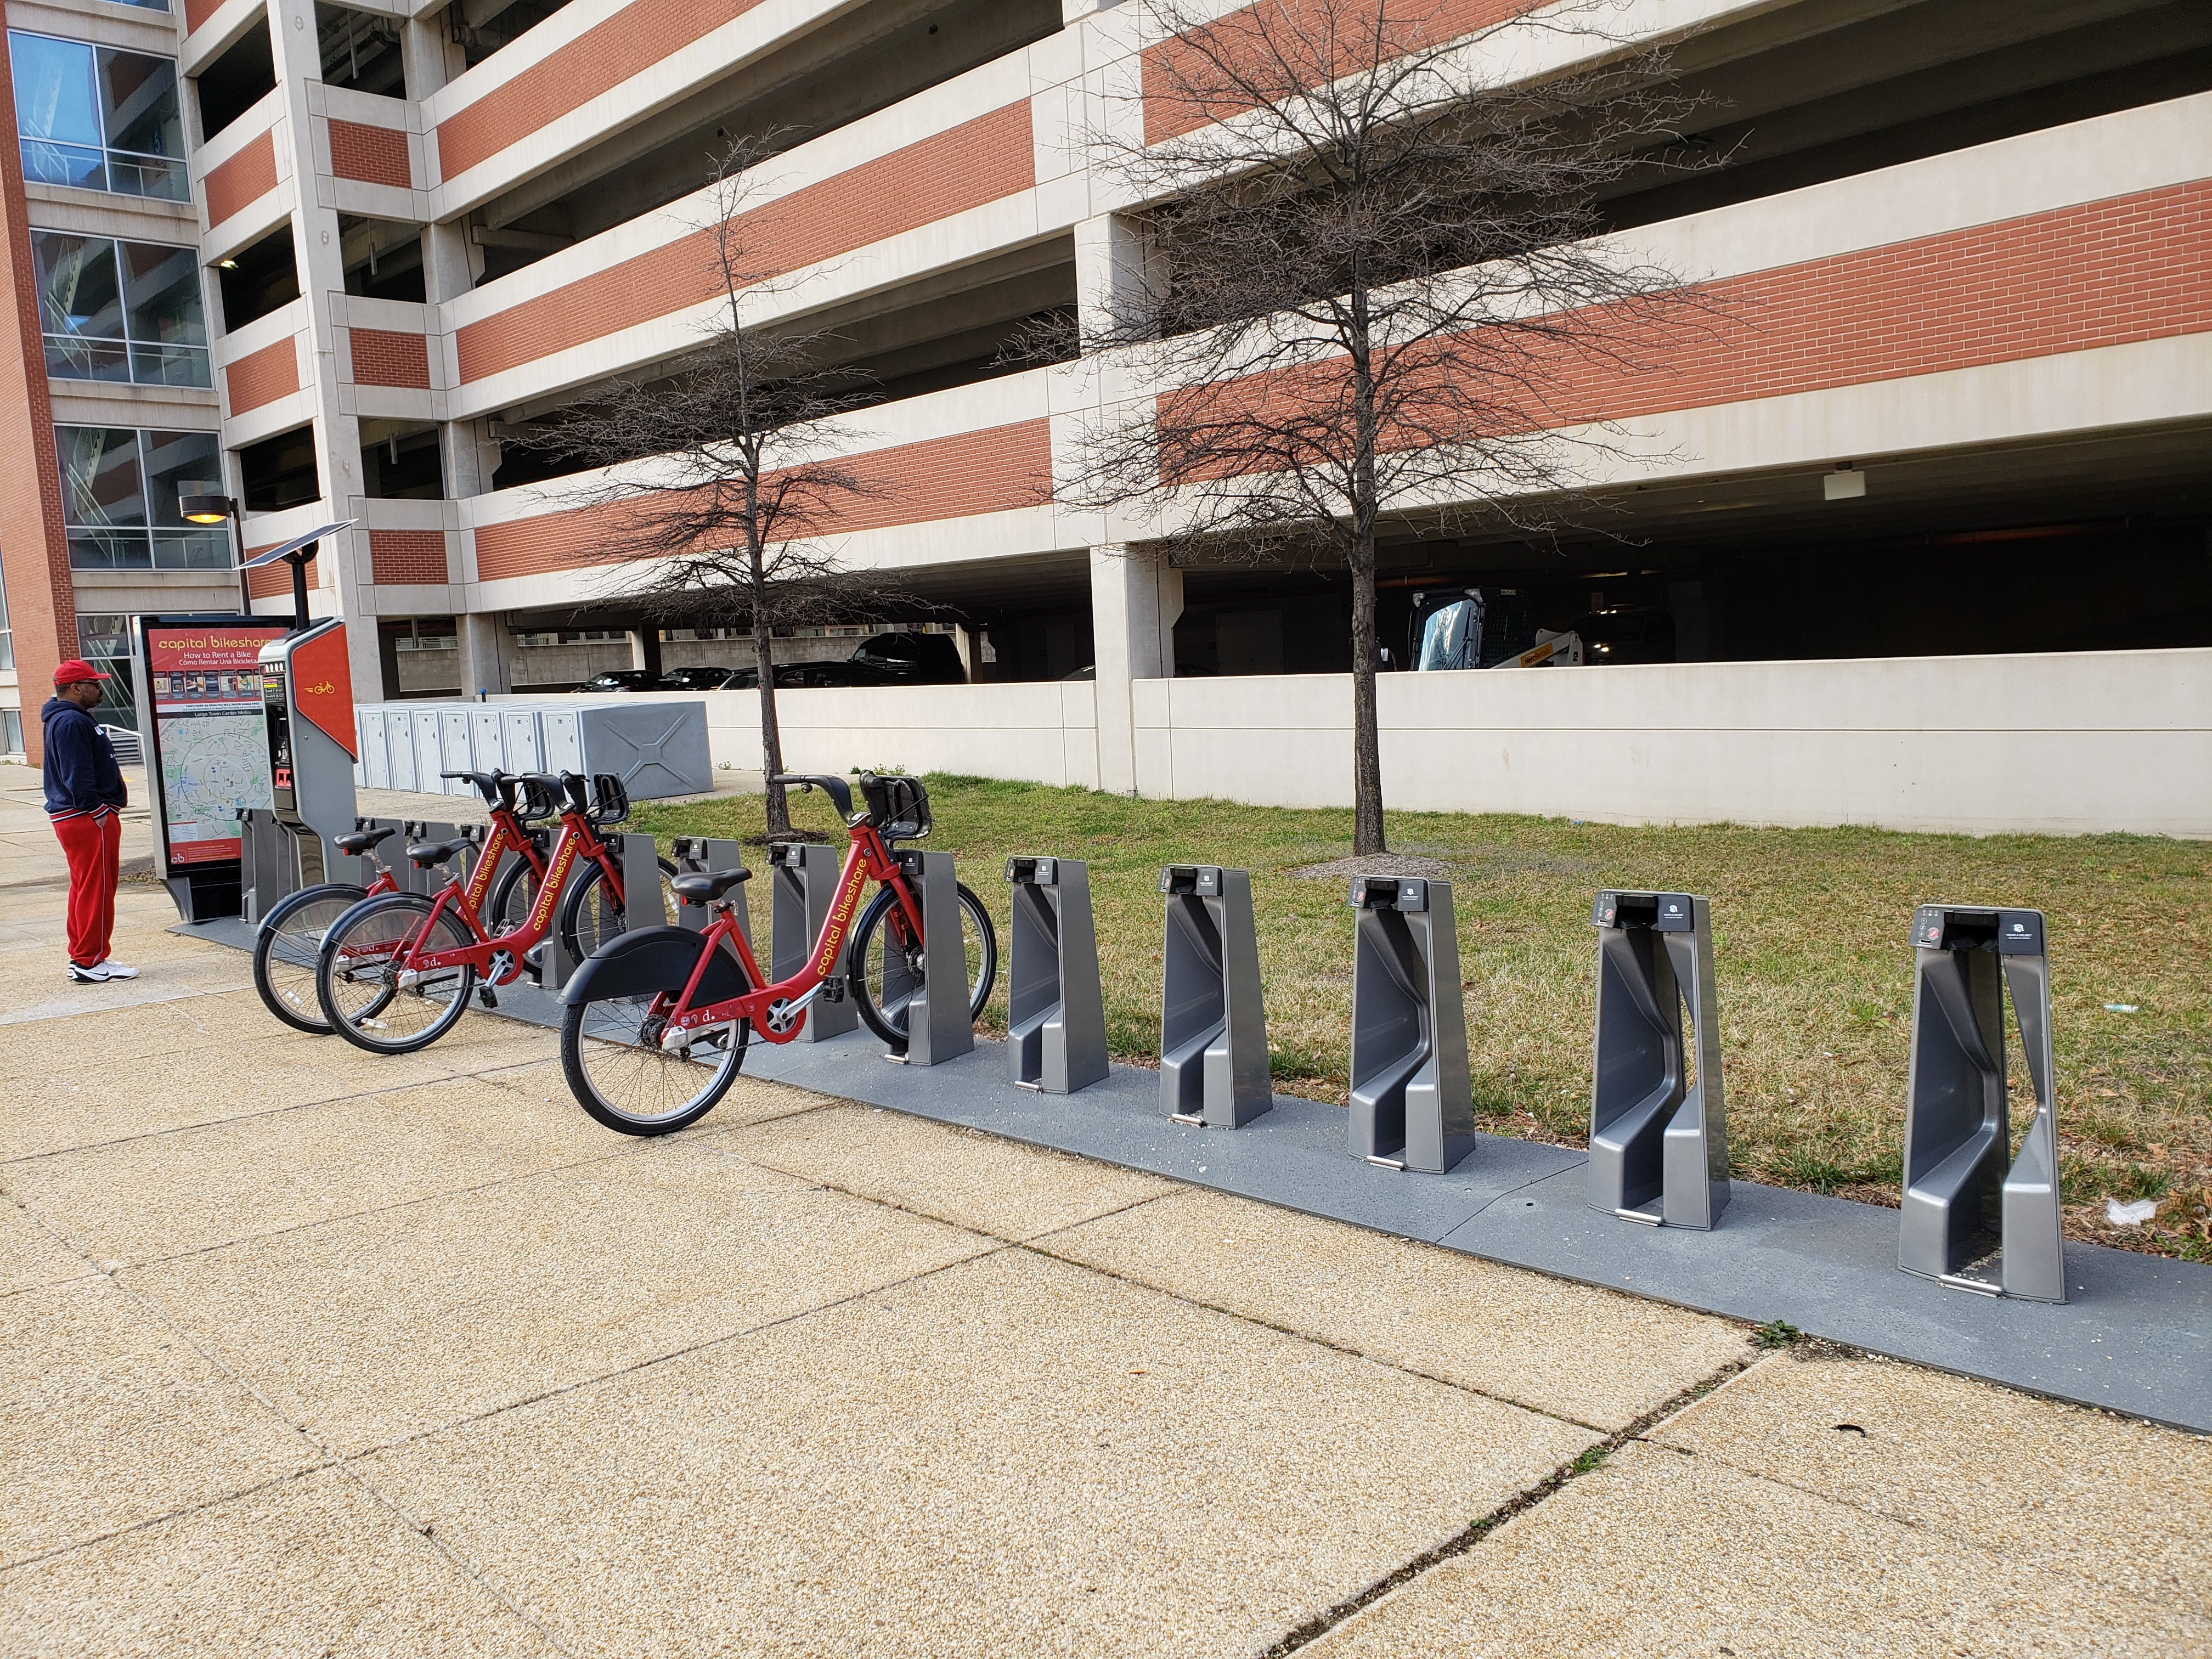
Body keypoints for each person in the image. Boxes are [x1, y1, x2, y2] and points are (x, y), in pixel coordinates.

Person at [42, 660, 136, 983]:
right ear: (75, 688)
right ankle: (89, 962)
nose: (100, 688)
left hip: (77, 817)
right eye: (94, 684)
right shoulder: (70, 722)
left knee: (85, 889)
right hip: (86, 817)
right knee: (97, 890)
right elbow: (76, 774)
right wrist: (98, 812)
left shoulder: (69, 719)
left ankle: (85, 956)